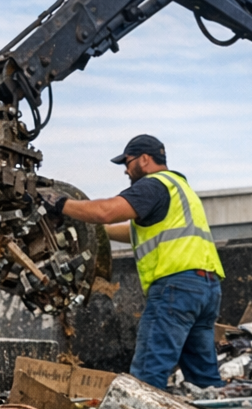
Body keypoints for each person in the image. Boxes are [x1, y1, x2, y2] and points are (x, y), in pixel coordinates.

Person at [44, 134, 225, 389]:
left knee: (147, 377)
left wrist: (60, 204)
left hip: (175, 288)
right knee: (204, 379)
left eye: (127, 163)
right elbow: (135, 232)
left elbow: (105, 211)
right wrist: (98, 232)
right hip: (205, 288)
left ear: (145, 159)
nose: (126, 171)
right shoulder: (180, 187)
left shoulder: (152, 185)